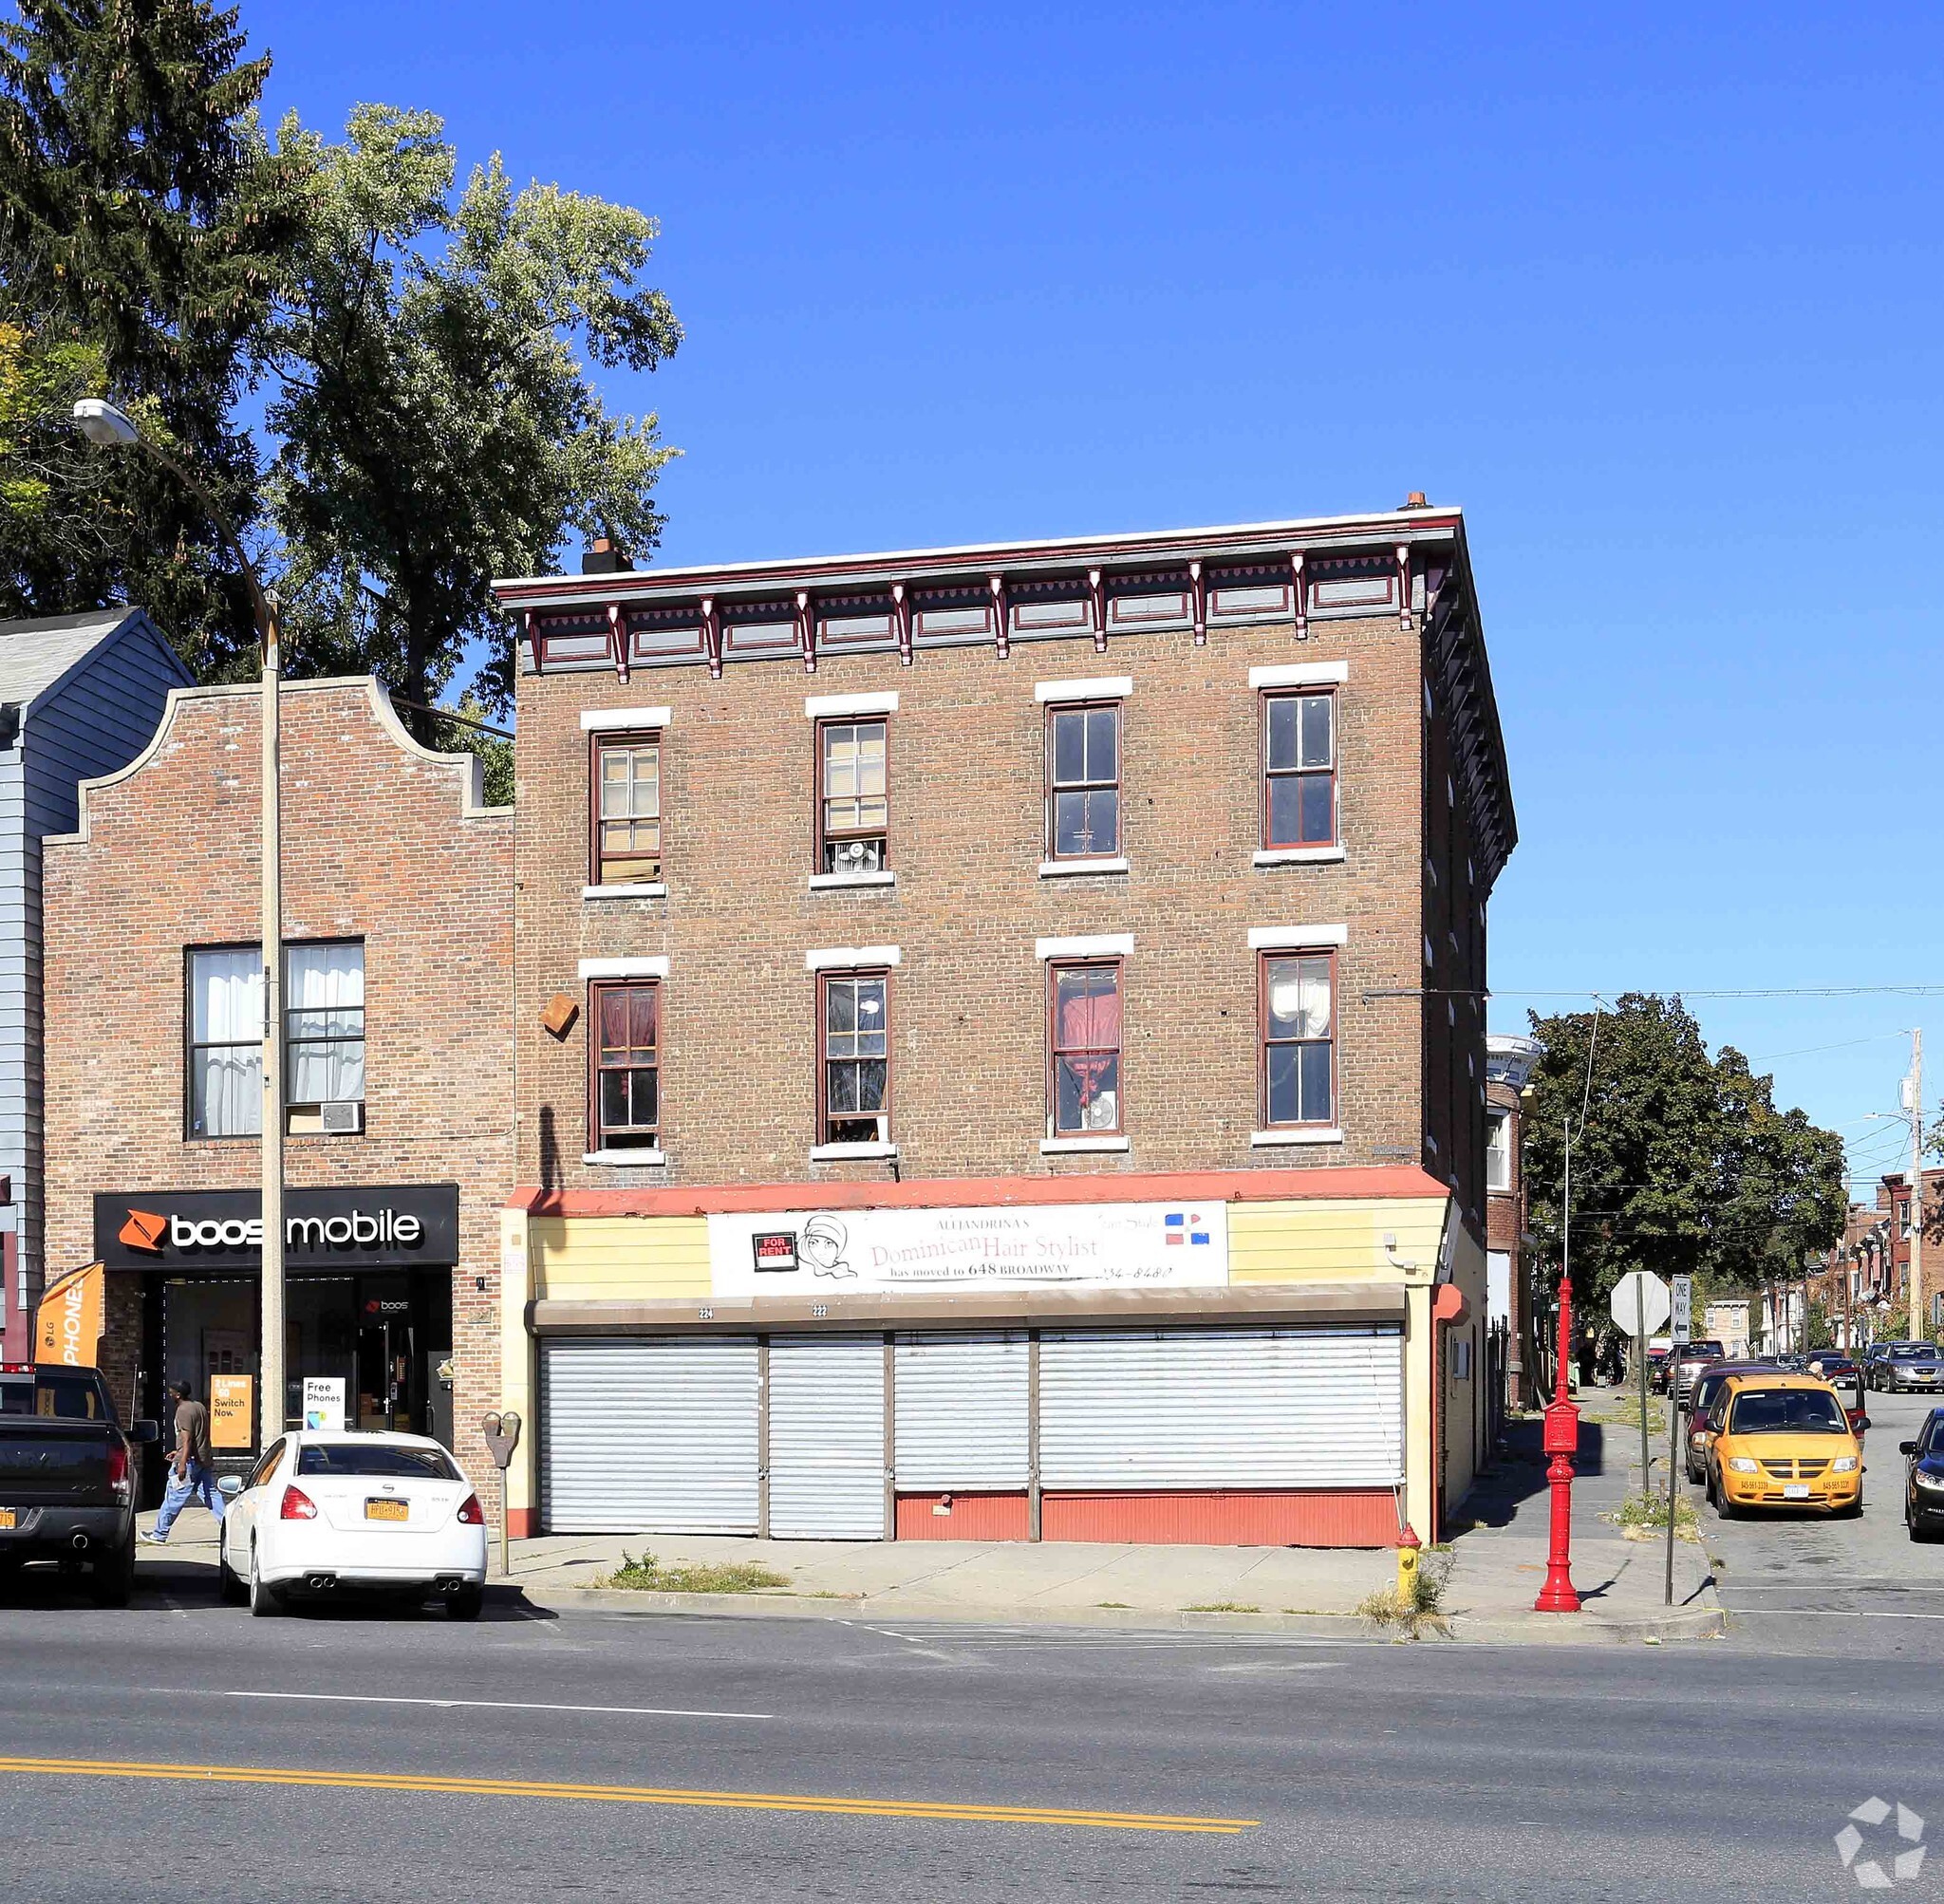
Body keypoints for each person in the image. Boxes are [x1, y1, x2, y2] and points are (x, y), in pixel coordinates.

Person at [140, 1379, 225, 1544]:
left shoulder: (183, 1411)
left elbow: (187, 1440)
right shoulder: (198, 1406)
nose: (169, 1394)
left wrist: (182, 1462)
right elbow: (198, 1435)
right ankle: (228, 1528)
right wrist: (178, 1452)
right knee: (211, 1494)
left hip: (189, 1463)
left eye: (171, 1392)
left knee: (174, 1496)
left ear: (178, 1395)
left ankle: (159, 1534)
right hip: (202, 1460)